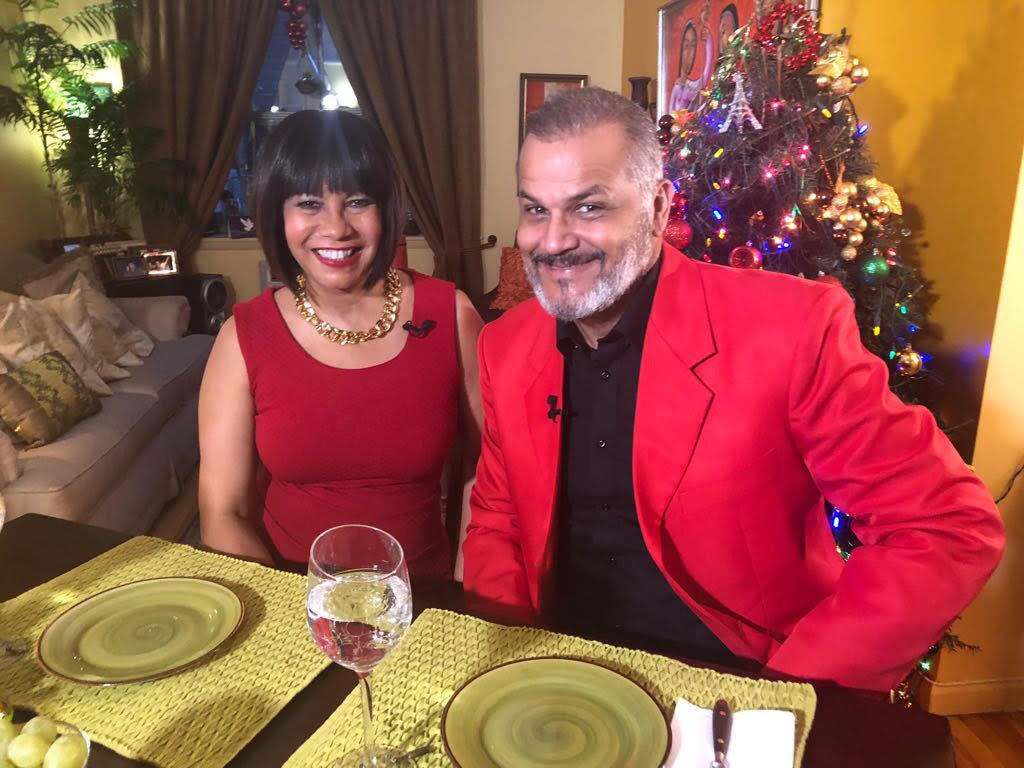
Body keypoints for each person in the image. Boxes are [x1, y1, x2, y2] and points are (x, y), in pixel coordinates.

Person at [461, 87, 1004, 692]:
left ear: (659, 209)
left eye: (589, 207)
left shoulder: (791, 328)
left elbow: (943, 527)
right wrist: (509, 662)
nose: (553, 241)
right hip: (557, 669)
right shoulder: (505, 345)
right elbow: (499, 517)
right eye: (535, 210)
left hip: (740, 678)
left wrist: (786, 697)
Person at [199, 110, 483, 581]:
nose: (336, 228)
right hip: (292, 595)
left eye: (357, 201)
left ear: (386, 209)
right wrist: (291, 608)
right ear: (277, 214)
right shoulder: (243, 336)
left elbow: (485, 473)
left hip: (421, 599)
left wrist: (464, 595)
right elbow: (222, 513)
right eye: (309, 203)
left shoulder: (452, 315)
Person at [669, 1, 713, 112]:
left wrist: (708, 39)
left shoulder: (695, 86)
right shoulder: (677, 88)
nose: (689, 53)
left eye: (693, 46)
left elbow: (708, 63)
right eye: (686, 46)